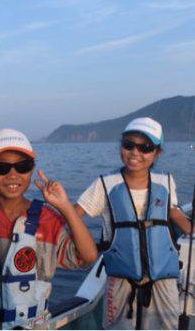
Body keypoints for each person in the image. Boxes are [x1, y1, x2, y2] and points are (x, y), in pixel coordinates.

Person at [0, 128, 98, 329]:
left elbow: (89, 257)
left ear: (32, 170)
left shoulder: (48, 219)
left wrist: (65, 206)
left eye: (23, 166)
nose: (13, 175)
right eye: (1, 168)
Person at [74, 117, 192, 330]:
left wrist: (189, 226)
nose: (135, 153)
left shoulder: (166, 182)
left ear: (157, 153)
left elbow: (174, 213)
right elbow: (75, 215)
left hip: (163, 281)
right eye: (128, 145)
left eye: (145, 147)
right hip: (119, 282)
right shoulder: (104, 184)